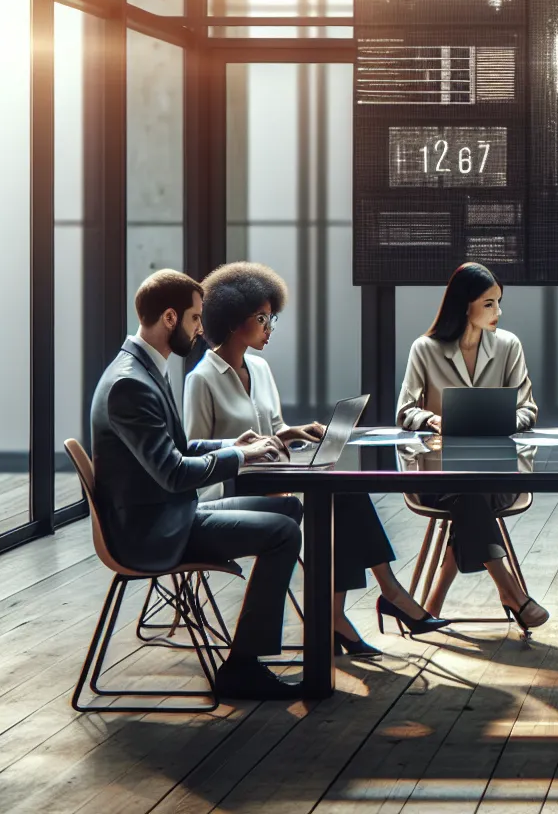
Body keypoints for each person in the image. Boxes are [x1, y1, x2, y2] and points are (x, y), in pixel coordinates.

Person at [184, 261, 447, 657]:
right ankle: (380, 599)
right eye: (262, 318)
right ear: (234, 320)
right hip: (233, 490)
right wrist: (246, 448)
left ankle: (359, 606)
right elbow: (195, 449)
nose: (270, 327)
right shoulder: (201, 379)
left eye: (272, 318)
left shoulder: (260, 368)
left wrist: (294, 432)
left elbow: (273, 429)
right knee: (340, 498)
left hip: (275, 477)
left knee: (345, 491)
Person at [88, 269, 298, 701]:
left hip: (169, 514)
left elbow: (178, 448)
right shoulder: (130, 383)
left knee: (289, 509)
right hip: (153, 531)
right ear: (170, 318)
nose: (202, 328)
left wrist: (233, 444)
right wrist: (240, 458)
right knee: (283, 533)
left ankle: (262, 648)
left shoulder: (143, 368)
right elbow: (173, 472)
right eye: (195, 318)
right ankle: (243, 666)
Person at [396, 262, 547, 632]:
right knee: (468, 493)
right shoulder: (425, 349)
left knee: (470, 496)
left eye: (498, 303)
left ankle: (432, 606)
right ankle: (510, 591)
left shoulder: (508, 346)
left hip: (498, 473)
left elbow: (528, 409)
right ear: (465, 305)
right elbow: (405, 411)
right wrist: (433, 420)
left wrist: (499, 420)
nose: (498, 312)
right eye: (489, 304)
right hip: (438, 474)